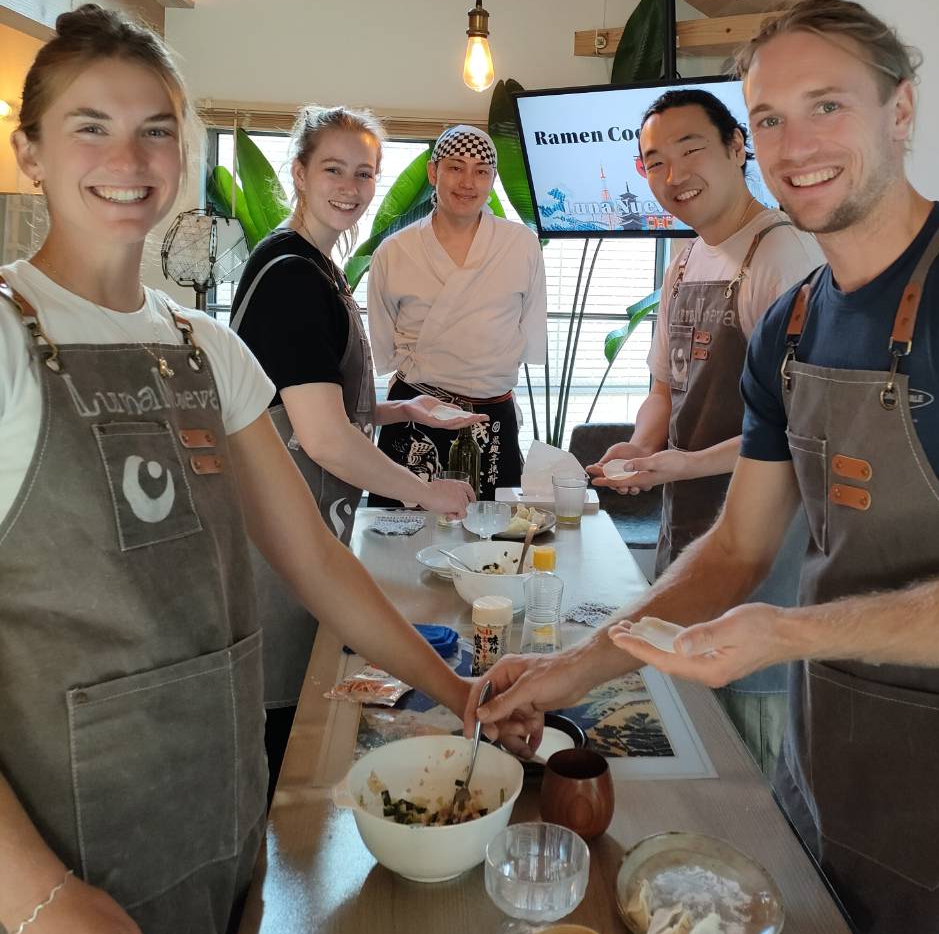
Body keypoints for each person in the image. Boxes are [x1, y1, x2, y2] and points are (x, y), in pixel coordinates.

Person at [471, 0, 939, 934]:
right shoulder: (792, 327)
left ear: (900, 111)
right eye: (768, 117)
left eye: (826, 106)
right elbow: (734, 550)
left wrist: (790, 629)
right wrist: (565, 673)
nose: (793, 146)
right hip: (824, 765)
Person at [0, 9, 526, 934]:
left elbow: (317, 563)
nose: (130, 156)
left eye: (157, 127)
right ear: (31, 152)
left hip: (214, 814)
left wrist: (451, 689)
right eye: (90, 125)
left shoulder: (203, 346)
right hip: (52, 864)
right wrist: (33, 901)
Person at [229, 105, 478, 793]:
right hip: (277, 547)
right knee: (286, 737)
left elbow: (301, 392)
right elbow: (322, 436)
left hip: (307, 533)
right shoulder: (292, 277)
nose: (350, 185)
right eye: (332, 168)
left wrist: (401, 407)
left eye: (364, 172)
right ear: (300, 173)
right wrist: (425, 490)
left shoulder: (315, 266)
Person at [588, 87, 821, 773]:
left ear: (736, 147)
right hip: (689, 533)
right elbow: (665, 387)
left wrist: (678, 465)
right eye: (654, 160)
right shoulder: (688, 258)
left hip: (762, 554)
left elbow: (795, 423)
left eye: (691, 148)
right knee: (692, 741)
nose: (672, 173)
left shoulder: (781, 256)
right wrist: (642, 443)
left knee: (749, 757)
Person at [367, 124, 547, 502]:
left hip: (491, 414)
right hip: (416, 409)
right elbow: (382, 338)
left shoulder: (521, 245)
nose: (468, 182)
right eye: (456, 167)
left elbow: (528, 325)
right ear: (434, 172)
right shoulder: (394, 250)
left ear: (493, 180)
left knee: (495, 537)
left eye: (481, 171)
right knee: (402, 533)